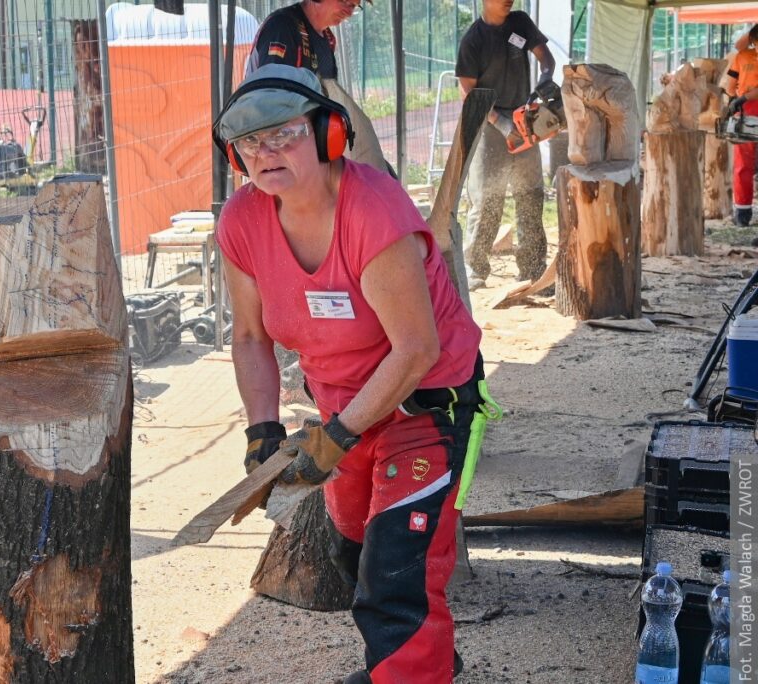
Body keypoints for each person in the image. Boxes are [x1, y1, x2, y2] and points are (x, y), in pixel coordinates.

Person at [214, 63, 491, 684]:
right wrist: (262, 431)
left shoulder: (373, 210)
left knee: (398, 569)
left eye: (282, 134)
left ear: (327, 134)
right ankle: (426, 662)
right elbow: (252, 336)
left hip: (424, 398)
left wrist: (336, 438)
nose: (265, 153)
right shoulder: (242, 221)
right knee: (356, 550)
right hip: (345, 403)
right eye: (250, 142)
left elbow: (415, 349)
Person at [455, 0, 556, 290]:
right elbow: (468, 92)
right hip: (489, 126)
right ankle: (475, 267)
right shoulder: (473, 40)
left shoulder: (520, 22)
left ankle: (533, 267)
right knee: (487, 199)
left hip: (525, 120)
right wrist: (501, 122)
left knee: (530, 196)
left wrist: (546, 77)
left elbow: (545, 58)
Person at [247, 0, 389, 173]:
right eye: (345, 2)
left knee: (375, 176)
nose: (349, 12)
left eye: (354, 6)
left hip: (312, 148)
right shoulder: (282, 26)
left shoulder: (328, 39)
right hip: (279, 155)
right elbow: (270, 99)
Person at [724, 24, 758, 227]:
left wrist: (741, 97)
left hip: (745, 104)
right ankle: (742, 212)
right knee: (742, 164)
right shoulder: (742, 55)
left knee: (744, 164)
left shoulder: (744, 55)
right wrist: (734, 98)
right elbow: (729, 85)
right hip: (745, 111)